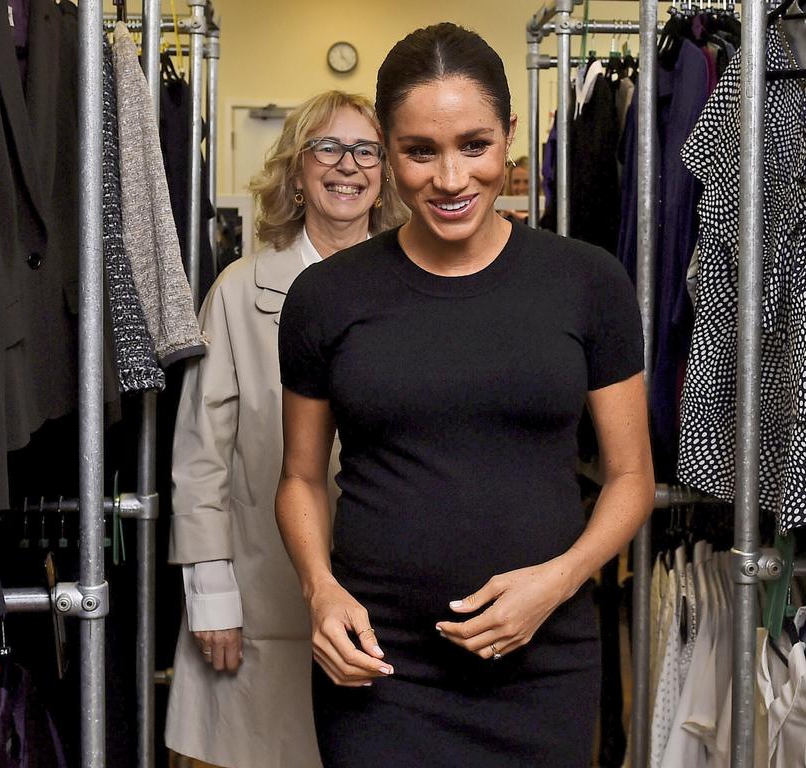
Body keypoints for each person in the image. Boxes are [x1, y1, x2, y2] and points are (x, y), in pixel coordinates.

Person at [276, 23, 654, 767]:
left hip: (544, 657)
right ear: (387, 148)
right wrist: (320, 590)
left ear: (509, 136)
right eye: (421, 152)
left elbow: (633, 479)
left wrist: (556, 583)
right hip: (381, 666)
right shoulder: (325, 296)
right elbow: (299, 477)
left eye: (474, 146)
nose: (450, 180)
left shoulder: (589, 282)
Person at [164, 90, 408, 768]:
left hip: (391, 595)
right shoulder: (241, 291)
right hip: (264, 598)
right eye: (326, 148)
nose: (347, 166)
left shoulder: (417, 291)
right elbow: (201, 455)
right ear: (297, 173)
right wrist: (209, 589)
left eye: (366, 150)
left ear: (385, 173)